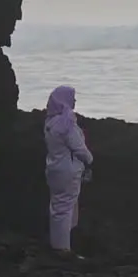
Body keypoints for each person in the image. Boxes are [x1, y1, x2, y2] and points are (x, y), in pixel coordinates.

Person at [44, 85, 93, 256]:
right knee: (64, 209)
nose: (74, 100)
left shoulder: (50, 122)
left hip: (54, 169)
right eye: (72, 97)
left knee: (58, 207)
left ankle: (61, 245)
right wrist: (90, 159)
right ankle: (62, 249)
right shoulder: (66, 123)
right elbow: (78, 148)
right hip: (68, 171)